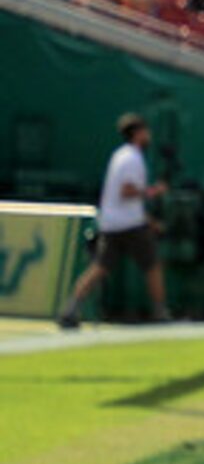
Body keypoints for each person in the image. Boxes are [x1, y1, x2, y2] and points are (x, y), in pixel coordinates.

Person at [56, 114, 168, 328]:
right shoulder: (132, 158)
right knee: (153, 266)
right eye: (146, 131)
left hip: (114, 224)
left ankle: (70, 310)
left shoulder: (121, 156)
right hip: (129, 226)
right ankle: (161, 313)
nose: (149, 135)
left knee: (100, 268)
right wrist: (154, 191)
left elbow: (122, 199)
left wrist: (149, 221)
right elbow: (127, 191)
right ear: (137, 134)